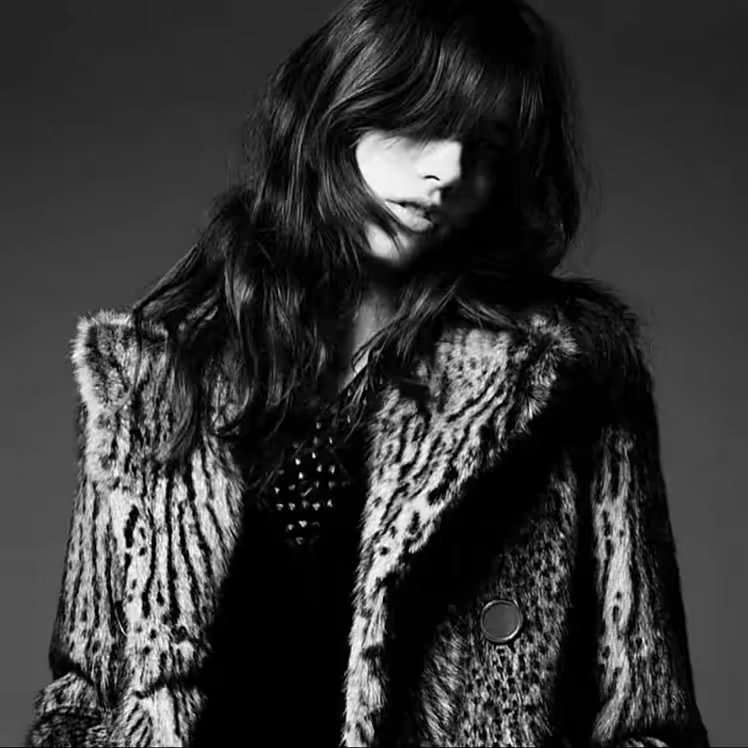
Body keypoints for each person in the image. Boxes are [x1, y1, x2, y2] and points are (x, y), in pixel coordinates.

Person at [26, 0, 711, 746]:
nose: (449, 170)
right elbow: (83, 693)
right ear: (339, 112)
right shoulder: (151, 376)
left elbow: (650, 717)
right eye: (423, 121)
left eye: (485, 146)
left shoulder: (567, 376)